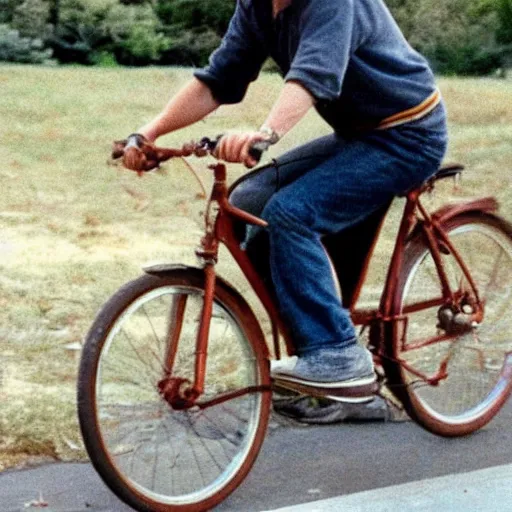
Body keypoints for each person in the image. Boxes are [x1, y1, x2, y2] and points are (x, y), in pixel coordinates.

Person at [120, 0, 448, 393]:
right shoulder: (257, 6)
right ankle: (321, 344)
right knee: (249, 202)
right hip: (358, 136)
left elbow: (312, 77)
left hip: (408, 135)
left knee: (291, 212)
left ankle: (338, 355)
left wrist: (265, 135)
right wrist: (149, 133)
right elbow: (219, 79)